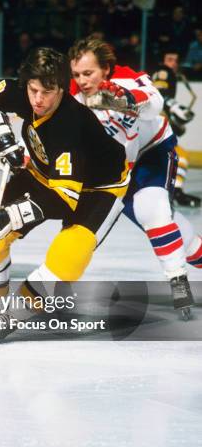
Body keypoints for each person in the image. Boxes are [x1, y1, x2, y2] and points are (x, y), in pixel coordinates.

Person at [0, 47, 130, 337]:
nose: (38, 100)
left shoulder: (70, 124)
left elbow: (62, 201)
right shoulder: (27, 92)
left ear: (62, 88)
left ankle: (11, 315)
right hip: (43, 172)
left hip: (98, 189)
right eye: (33, 90)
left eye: (47, 92)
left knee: (68, 257)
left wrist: (12, 215)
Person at [68, 37, 197, 317]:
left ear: (105, 68)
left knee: (153, 213)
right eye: (76, 74)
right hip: (118, 168)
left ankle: (177, 280)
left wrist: (124, 100)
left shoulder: (127, 79)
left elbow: (155, 103)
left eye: (88, 73)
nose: (81, 81)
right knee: (174, 232)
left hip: (153, 151)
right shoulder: (73, 98)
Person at [151, 49, 200, 208]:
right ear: (162, 61)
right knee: (181, 156)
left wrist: (174, 123)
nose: (173, 63)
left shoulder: (168, 73)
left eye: (175, 60)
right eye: (169, 59)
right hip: (153, 128)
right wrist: (175, 106)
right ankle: (175, 192)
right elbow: (160, 93)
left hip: (154, 127)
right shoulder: (164, 71)